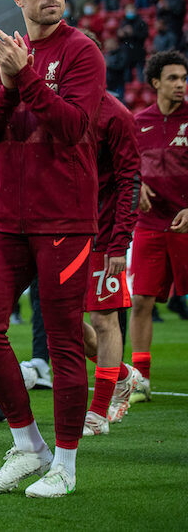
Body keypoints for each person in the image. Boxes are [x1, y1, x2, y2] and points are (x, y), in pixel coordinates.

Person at [0, 0, 105, 497]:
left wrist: (25, 79)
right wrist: (4, 79)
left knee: (65, 341)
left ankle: (65, 466)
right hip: (6, 219)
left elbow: (72, 128)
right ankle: (29, 447)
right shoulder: (8, 55)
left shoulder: (81, 52)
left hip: (65, 219)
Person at [80, 91, 142, 436]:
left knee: (103, 320)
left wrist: (119, 243)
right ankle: (121, 375)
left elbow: (129, 182)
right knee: (62, 325)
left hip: (102, 237)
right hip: (62, 235)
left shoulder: (116, 116)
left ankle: (98, 412)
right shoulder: (54, 107)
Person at [128, 50, 188, 404]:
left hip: (185, 222)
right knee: (140, 302)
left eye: (183, 78)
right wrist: (138, 186)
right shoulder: (138, 122)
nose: (181, 85)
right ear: (155, 83)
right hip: (150, 224)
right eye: (173, 78)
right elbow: (126, 166)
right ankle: (141, 380)